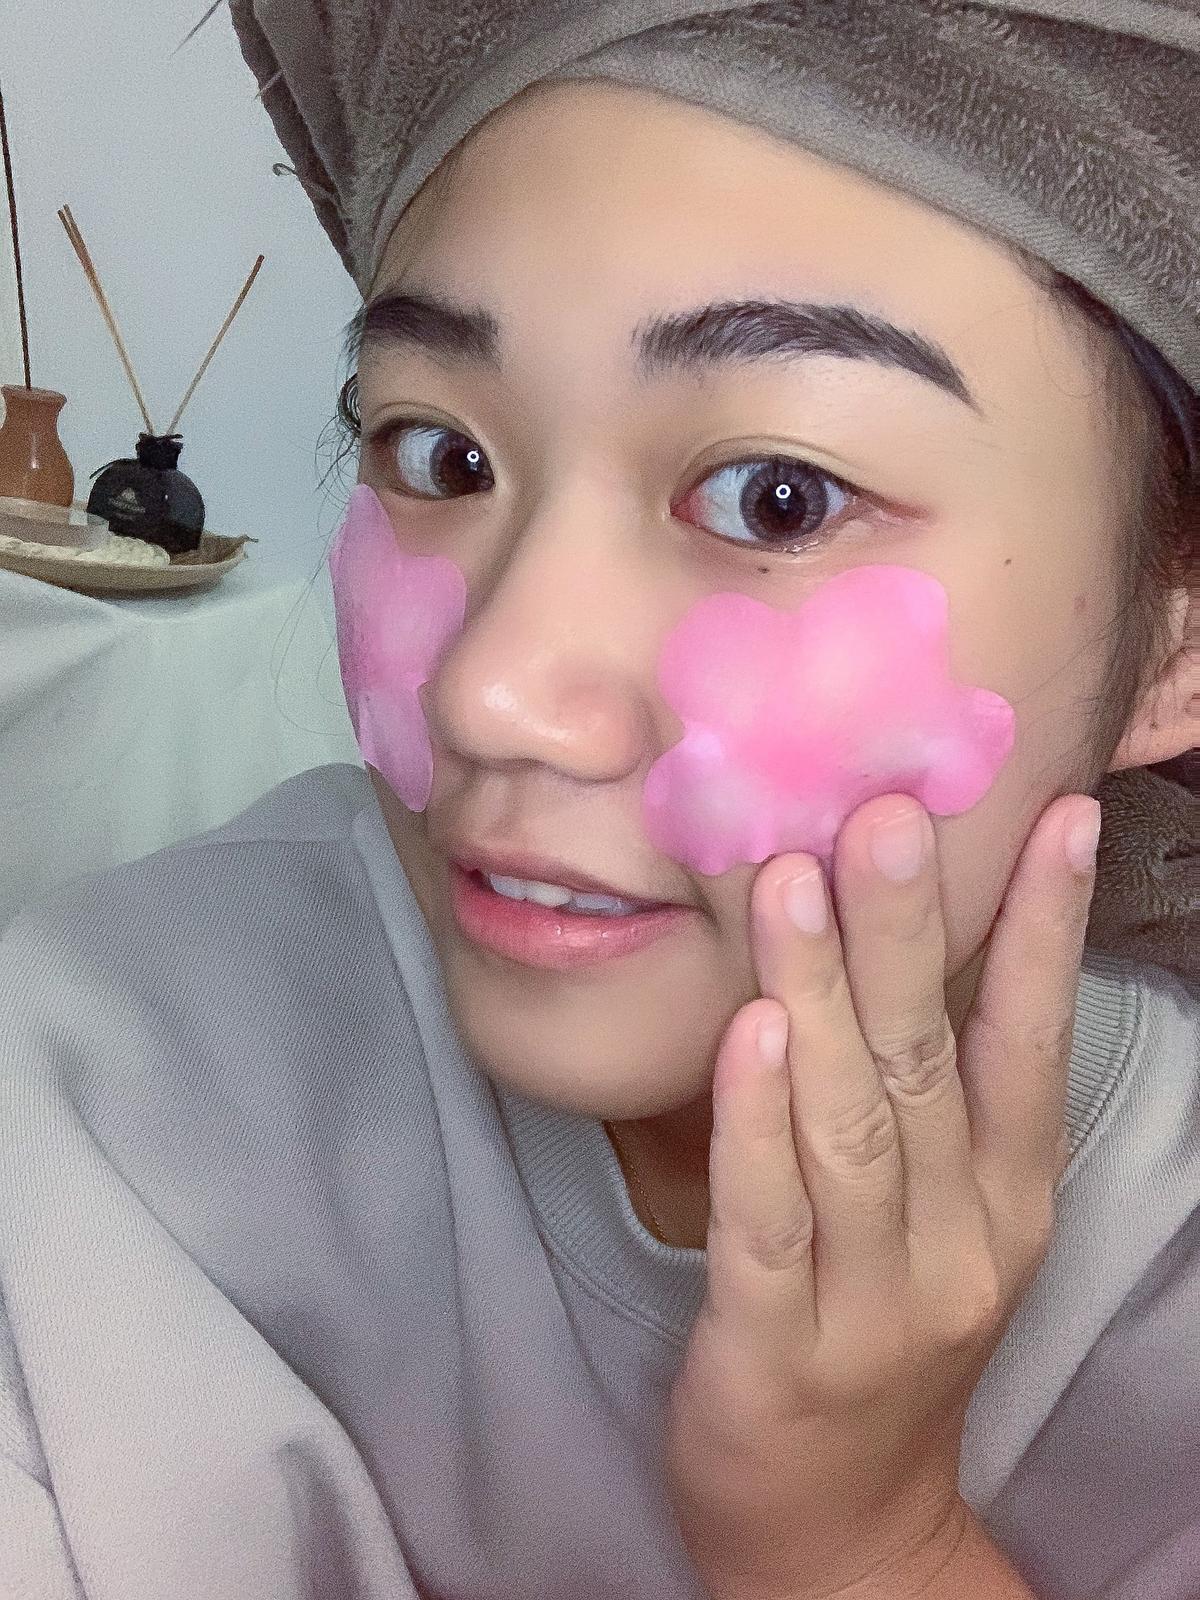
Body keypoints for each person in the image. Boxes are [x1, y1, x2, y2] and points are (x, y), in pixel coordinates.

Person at [2, 3, 1197, 1598]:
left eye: (776, 498)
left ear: (1175, 634)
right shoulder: (94, 1101)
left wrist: (871, 1553)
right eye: (439, 455)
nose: (491, 690)